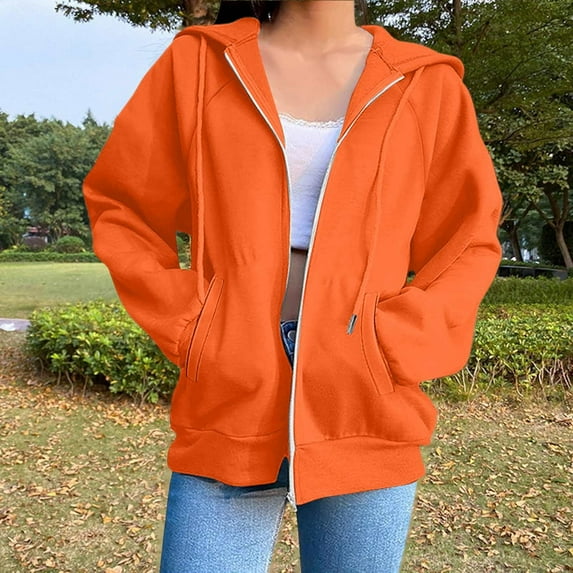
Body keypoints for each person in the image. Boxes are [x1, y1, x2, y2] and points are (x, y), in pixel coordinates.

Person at [82, 0, 504, 571]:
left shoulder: (426, 83)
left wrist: (395, 342)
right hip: (230, 394)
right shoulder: (201, 62)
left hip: (363, 400)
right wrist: (193, 325)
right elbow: (123, 205)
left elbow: (468, 238)